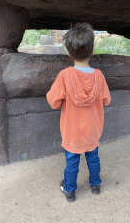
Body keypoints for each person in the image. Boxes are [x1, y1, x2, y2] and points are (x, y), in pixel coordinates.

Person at [46, 22, 111, 202]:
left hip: (72, 131)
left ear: (68, 52)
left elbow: (53, 101)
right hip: (92, 129)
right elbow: (106, 100)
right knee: (93, 158)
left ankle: (70, 190)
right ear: (92, 51)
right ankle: (96, 184)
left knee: (72, 162)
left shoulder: (64, 76)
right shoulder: (99, 75)